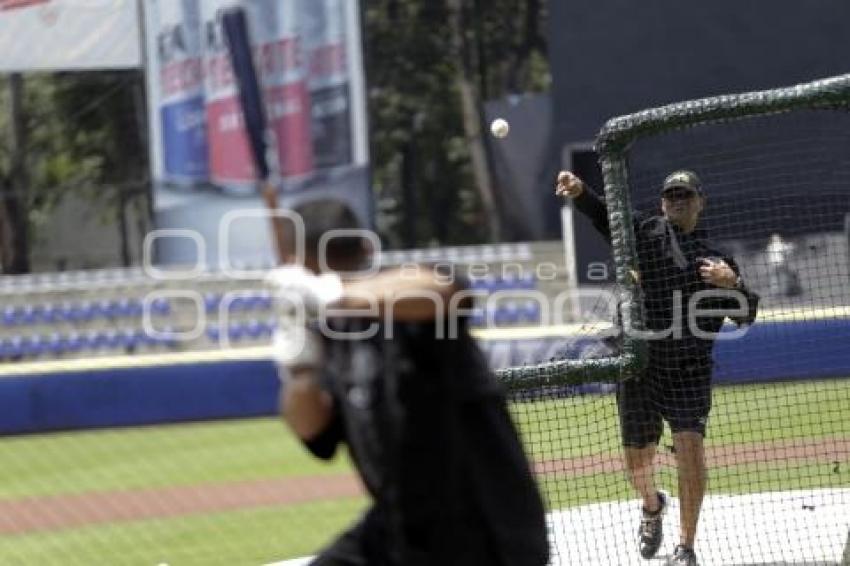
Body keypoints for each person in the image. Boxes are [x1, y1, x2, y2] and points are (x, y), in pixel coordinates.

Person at [268, 200, 549, 566]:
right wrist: (299, 374)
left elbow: (445, 291)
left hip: (486, 530)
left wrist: (334, 294)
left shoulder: (406, 291)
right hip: (399, 531)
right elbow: (316, 435)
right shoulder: (331, 331)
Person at [555, 170, 759, 566]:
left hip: (689, 371)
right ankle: (652, 507)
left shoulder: (716, 262)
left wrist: (731, 283)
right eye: (670, 195)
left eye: (685, 195)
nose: (677, 201)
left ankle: (686, 546)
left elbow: (747, 315)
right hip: (640, 366)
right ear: (662, 202)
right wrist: (579, 191)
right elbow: (603, 213)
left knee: (690, 449)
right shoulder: (646, 232)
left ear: (701, 201)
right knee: (637, 460)